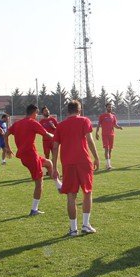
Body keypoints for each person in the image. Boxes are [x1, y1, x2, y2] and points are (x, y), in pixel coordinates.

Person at [5, 104, 63, 216]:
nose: (37, 116)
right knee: (39, 183)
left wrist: (8, 148)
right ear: (34, 113)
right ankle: (34, 209)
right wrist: (59, 138)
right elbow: (46, 134)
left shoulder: (17, 123)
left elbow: (6, 134)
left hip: (27, 156)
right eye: (37, 114)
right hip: (31, 157)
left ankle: (59, 186)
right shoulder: (32, 123)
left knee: (49, 163)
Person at [53, 100, 100, 237]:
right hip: (83, 161)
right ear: (79, 111)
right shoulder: (84, 121)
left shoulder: (60, 126)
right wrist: (96, 157)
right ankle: (85, 225)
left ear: (68, 112)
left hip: (68, 163)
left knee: (71, 195)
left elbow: (55, 147)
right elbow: (90, 140)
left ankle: (73, 229)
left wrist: (55, 167)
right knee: (87, 192)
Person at [95, 103, 123, 170]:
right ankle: (108, 165)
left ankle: (108, 164)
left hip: (112, 135)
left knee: (110, 150)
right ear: (106, 108)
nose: (110, 108)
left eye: (111, 107)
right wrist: (97, 133)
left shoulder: (113, 116)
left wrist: (119, 127)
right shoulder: (102, 116)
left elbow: (115, 125)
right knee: (106, 149)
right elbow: (99, 125)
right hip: (105, 135)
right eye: (108, 107)